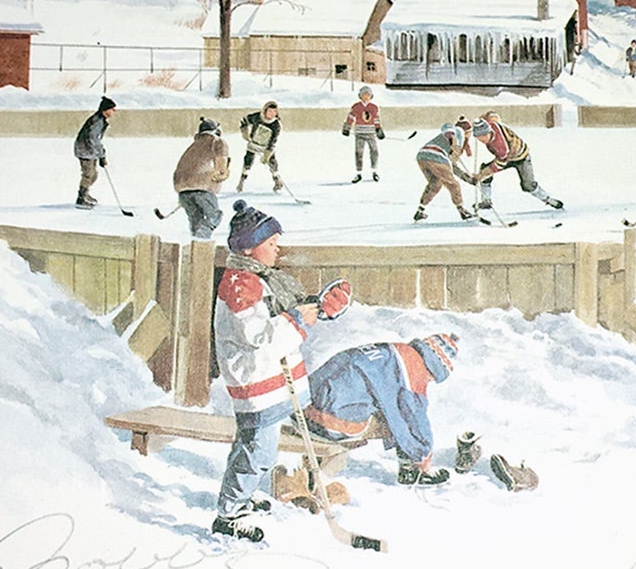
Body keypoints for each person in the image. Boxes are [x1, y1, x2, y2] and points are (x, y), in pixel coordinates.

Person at [211, 200, 351, 541]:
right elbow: (260, 336)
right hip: (255, 379)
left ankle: (242, 496)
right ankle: (229, 514)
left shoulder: (260, 278)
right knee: (256, 449)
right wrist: (300, 319)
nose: (278, 249)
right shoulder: (241, 286)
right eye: (271, 243)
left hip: (269, 379)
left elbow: (284, 312)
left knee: (260, 445)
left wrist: (319, 308)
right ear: (249, 248)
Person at [302, 334, 460, 485]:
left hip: (308, 407)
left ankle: (409, 466)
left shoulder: (392, 351)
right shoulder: (414, 368)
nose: (429, 382)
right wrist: (423, 453)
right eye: (432, 378)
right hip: (332, 421)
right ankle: (412, 470)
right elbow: (415, 415)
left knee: (388, 405)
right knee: (397, 418)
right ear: (432, 368)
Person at [469, 112, 563, 212]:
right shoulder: (490, 125)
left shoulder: (499, 145)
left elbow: (499, 164)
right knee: (485, 171)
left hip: (521, 157)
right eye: (479, 138)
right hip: (506, 156)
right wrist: (479, 121)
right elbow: (492, 116)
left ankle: (548, 199)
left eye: (483, 137)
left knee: (528, 185)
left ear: (489, 132)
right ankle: (486, 201)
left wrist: (481, 175)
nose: (482, 140)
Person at [172, 117, 230, 239]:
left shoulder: (194, 145)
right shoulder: (217, 142)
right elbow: (221, 169)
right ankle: (201, 241)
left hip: (182, 190)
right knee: (213, 217)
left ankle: (196, 243)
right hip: (202, 188)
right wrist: (224, 174)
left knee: (196, 221)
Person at [413, 123, 478, 223]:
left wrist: (466, 178)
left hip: (422, 156)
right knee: (453, 185)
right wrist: (467, 178)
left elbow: (450, 166)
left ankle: (420, 211)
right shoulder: (459, 133)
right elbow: (452, 164)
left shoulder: (445, 136)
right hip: (436, 157)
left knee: (435, 184)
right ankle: (462, 212)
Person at [73, 95, 117, 208]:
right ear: (105, 110)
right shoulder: (97, 121)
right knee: (88, 174)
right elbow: (93, 139)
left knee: (94, 175)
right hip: (85, 150)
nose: (114, 111)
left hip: (90, 150)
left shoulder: (100, 120)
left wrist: (100, 154)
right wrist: (101, 155)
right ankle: (81, 198)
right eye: (112, 109)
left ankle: (85, 193)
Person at [236, 100, 284, 193]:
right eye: (270, 111)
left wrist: (267, 154)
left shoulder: (276, 125)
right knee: (247, 161)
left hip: (266, 146)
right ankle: (241, 182)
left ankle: (277, 181)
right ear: (265, 110)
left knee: (272, 163)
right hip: (253, 144)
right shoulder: (257, 117)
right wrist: (244, 131)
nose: (272, 114)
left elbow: (273, 140)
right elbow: (244, 120)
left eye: (275, 112)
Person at [342, 85, 384, 183]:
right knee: (359, 153)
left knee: (374, 151)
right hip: (360, 133)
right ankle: (359, 173)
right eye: (364, 94)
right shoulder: (356, 106)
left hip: (370, 133)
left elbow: (376, 119)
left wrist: (378, 130)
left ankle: (374, 172)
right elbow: (350, 117)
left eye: (368, 95)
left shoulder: (374, 107)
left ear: (371, 96)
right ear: (360, 96)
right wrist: (347, 128)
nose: (366, 97)